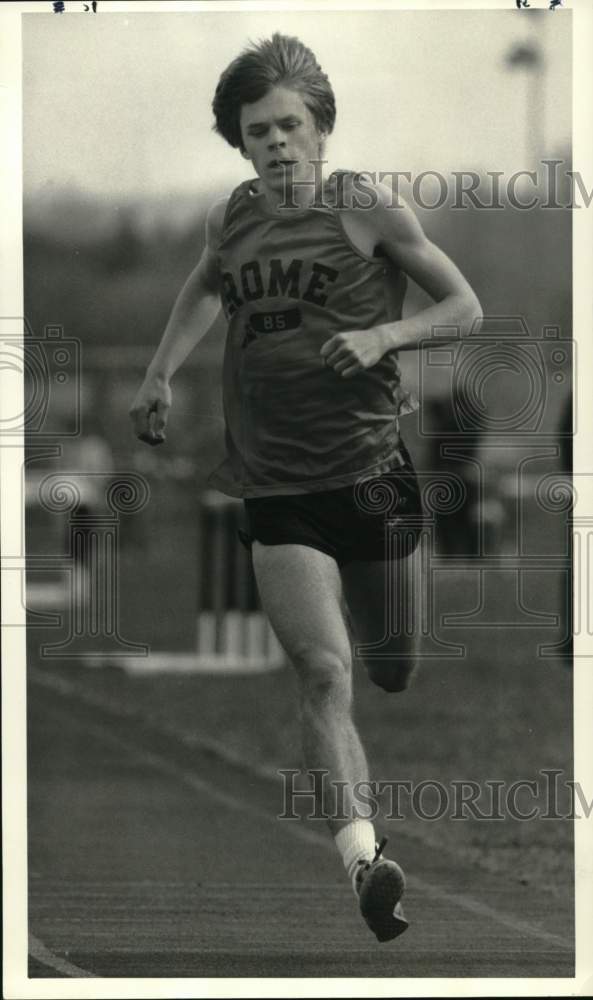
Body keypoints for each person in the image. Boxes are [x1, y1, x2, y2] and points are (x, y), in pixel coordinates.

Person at [130, 33, 482, 943]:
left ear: (320, 127)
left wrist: (384, 339)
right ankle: (365, 861)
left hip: (372, 479)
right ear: (240, 143)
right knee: (323, 673)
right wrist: (161, 372)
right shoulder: (231, 219)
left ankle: (366, 612)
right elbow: (202, 289)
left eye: (290, 125)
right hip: (277, 489)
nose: (277, 144)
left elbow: (464, 306)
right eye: (259, 132)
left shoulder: (366, 208)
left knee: (391, 669)